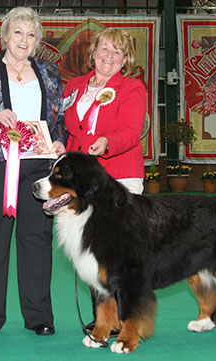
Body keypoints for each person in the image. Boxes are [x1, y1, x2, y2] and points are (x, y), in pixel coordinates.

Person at [0, 7, 67, 336]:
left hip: (40, 164)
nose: (24, 39)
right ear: (4, 36)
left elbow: (57, 118)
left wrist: (60, 142)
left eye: (31, 34)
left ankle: (40, 317)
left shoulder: (48, 72)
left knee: (37, 238)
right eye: (18, 32)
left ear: (37, 41)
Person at [63, 27, 147, 332]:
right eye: (105, 49)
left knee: (121, 255)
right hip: (83, 183)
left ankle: (126, 318)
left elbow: (131, 131)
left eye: (117, 52)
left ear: (125, 59)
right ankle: (104, 318)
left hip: (120, 175)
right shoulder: (73, 86)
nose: (109, 56)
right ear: (93, 53)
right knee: (90, 249)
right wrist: (62, 146)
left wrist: (107, 142)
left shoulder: (132, 88)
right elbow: (68, 127)